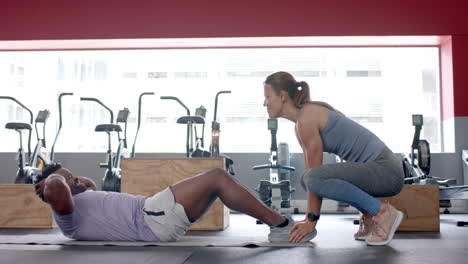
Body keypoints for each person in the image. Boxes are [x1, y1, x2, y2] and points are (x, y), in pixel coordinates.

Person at [263, 71, 404, 246]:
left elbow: (314, 176)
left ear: (282, 96)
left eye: (267, 97)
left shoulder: (306, 118)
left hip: (386, 170)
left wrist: (311, 221)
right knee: (308, 179)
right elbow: (312, 177)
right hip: (381, 170)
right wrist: (310, 220)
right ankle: (368, 216)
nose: (264, 103)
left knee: (310, 178)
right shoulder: (304, 119)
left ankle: (382, 213)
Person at [34, 163, 316, 243]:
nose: (74, 181)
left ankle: (279, 225)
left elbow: (87, 184)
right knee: (217, 177)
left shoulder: (82, 198)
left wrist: (68, 177)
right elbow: (58, 188)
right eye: (67, 180)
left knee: (218, 182)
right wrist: (50, 180)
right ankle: (281, 225)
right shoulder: (65, 214)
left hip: (156, 216)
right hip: (152, 216)